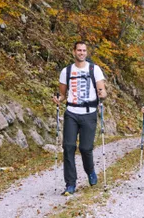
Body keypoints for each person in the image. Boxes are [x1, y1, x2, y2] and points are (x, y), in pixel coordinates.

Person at [53, 41, 107, 195]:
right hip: (71, 112)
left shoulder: (94, 69)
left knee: (85, 148)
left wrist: (102, 94)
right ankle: (70, 183)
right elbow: (63, 94)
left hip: (89, 113)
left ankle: (90, 171)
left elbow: (102, 90)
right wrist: (58, 98)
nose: (81, 53)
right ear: (74, 52)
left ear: (86, 52)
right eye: (79, 50)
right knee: (68, 147)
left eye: (84, 50)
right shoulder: (66, 71)